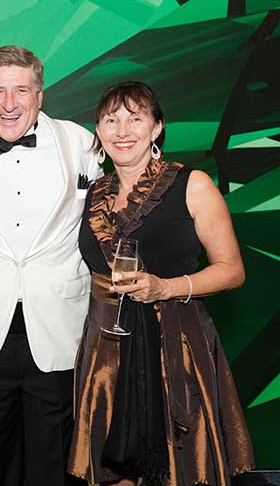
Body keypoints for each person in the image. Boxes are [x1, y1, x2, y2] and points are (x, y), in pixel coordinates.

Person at [67, 81, 255, 485]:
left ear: (156, 128)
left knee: (179, 467)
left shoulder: (192, 184)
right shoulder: (94, 193)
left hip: (175, 348)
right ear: (98, 131)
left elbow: (232, 270)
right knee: (110, 470)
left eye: (135, 119)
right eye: (111, 120)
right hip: (107, 353)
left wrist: (165, 287)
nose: (122, 131)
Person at [0, 45, 101, 485]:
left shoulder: (82, 144)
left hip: (59, 327)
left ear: (40, 95)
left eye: (21, 90)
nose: (9, 103)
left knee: (55, 459)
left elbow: (114, 213)